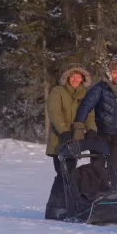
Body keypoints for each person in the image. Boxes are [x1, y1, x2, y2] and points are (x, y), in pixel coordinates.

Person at [73, 58, 117, 190]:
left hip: (116, 136)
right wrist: (79, 128)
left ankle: (111, 196)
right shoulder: (99, 88)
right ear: (109, 73)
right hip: (99, 135)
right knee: (97, 169)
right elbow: (85, 106)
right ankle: (94, 197)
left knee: (113, 169)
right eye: (114, 72)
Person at [45, 64, 97, 220]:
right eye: (73, 76)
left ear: (82, 79)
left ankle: (67, 206)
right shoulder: (57, 91)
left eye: (78, 77)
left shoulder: (85, 94)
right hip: (60, 140)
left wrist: (92, 129)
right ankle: (54, 208)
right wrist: (64, 131)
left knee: (70, 173)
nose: (75, 79)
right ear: (68, 77)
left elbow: (89, 114)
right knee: (62, 174)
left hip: (76, 140)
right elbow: (54, 113)